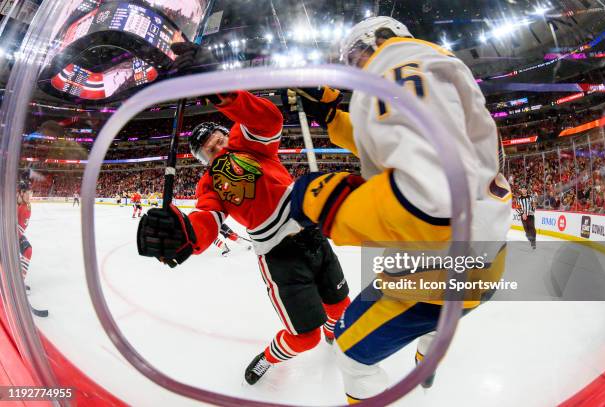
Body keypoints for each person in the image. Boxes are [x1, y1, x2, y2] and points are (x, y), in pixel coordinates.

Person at [289, 16, 512, 403]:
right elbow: (399, 151)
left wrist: (336, 205)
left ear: (377, 41)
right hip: (477, 263)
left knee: (350, 354)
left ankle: (428, 356)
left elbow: (435, 193)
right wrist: (330, 118)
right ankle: (429, 359)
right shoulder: (426, 65)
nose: (354, 67)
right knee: (435, 320)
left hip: (437, 274)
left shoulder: (393, 65)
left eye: (355, 56)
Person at [136, 89, 350, 385]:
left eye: (221, 141)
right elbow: (207, 219)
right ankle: (269, 357)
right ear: (203, 161)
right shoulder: (209, 183)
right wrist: (186, 234)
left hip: (312, 234)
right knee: (305, 338)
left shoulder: (249, 143)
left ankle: (331, 329)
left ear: (230, 135)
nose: (219, 149)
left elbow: (268, 120)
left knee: (340, 307)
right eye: (211, 150)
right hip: (279, 256)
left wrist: (227, 96)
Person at [17, 181, 32, 291]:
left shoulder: (27, 207)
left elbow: (19, 230)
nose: (29, 196)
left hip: (11, 235)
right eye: (27, 193)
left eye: (30, 193)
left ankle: (19, 281)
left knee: (28, 250)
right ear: (21, 193)